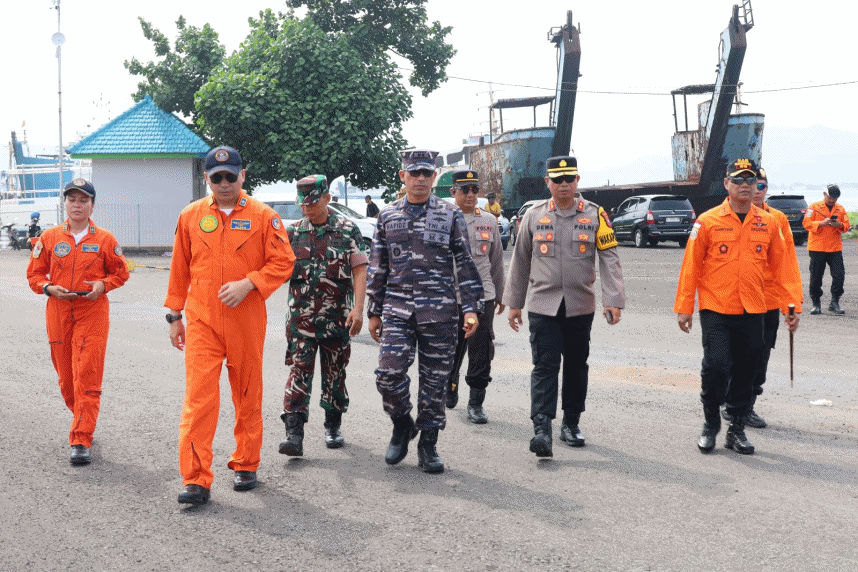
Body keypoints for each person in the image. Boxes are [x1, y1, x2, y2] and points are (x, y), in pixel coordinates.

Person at [165, 145, 295, 505]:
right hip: (203, 320)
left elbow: (284, 262)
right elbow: (179, 269)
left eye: (230, 176)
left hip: (245, 319)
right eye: (216, 177)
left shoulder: (264, 216)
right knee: (198, 399)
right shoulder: (190, 216)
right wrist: (175, 315)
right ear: (207, 179)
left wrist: (250, 282)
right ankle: (195, 479)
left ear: (243, 175)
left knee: (247, 393)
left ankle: (246, 463)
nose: (224, 183)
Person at [367, 149, 483, 474]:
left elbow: (465, 263)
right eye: (413, 172)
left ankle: (428, 443)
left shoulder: (450, 215)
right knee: (388, 375)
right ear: (402, 176)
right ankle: (402, 423)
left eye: (426, 173)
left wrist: (471, 309)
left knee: (435, 382)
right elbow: (378, 266)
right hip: (397, 310)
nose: (420, 178)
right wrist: (373, 311)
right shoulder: (387, 216)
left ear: (434, 177)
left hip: (441, 311)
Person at [675, 159, 799, 456]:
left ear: (757, 185)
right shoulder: (707, 220)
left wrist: (791, 306)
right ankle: (710, 425)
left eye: (751, 180)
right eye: (738, 179)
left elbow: (784, 268)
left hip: (754, 307)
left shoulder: (768, 222)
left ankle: (737, 429)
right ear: (726, 184)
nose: (745, 184)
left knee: (747, 370)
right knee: (716, 366)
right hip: (716, 306)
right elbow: (690, 265)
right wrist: (684, 307)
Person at [504, 156, 625, 458]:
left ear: (577, 181)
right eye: (557, 180)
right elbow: (520, 260)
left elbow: (609, 258)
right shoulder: (533, 216)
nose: (563, 185)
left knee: (575, 366)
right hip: (543, 306)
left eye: (569, 178)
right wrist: (514, 304)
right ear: (548, 183)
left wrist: (613, 299)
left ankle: (571, 423)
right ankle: (542, 428)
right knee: (545, 366)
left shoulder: (596, 216)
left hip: (580, 306)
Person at [27, 179, 130, 465]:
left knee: (86, 372)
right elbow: (34, 275)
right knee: (66, 378)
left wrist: (103, 285)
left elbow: (121, 274)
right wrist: (48, 288)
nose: (77, 205)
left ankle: (81, 437)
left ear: (92, 206)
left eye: (83, 200)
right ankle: (82, 416)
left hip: (92, 310)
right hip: (58, 310)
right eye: (72, 199)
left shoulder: (105, 240)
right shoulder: (48, 238)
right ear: (66, 204)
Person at [280, 175, 368, 456]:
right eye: (303, 203)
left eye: (313, 202)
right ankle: (294, 434)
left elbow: (360, 270)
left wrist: (358, 309)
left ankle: (333, 425)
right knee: (299, 373)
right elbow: (277, 270)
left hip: (337, 318)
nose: (307, 208)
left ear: (327, 198)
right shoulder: (293, 233)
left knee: (335, 374)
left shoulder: (347, 230)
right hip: (301, 321)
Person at [721, 167, 803, 428]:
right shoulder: (725, 216)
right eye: (752, 185)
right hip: (736, 299)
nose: (756, 190)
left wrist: (792, 305)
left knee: (760, 356)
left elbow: (788, 264)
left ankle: (747, 406)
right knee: (731, 355)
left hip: (767, 300)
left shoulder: (777, 219)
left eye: (761, 185)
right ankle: (729, 400)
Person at [444, 169, 505, 424]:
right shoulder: (443, 219)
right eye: (464, 190)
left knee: (481, 348)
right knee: (449, 348)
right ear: (453, 192)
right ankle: (450, 381)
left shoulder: (489, 221)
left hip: (482, 296)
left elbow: (497, 261)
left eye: (474, 190)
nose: (470, 195)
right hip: (449, 297)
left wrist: (499, 295)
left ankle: (476, 403)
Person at [802, 184, 850, 315]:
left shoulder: (840, 209)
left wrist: (839, 224)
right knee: (816, 277)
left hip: (835, 248)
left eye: (835, 198)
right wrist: (820, 223)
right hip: (817, 248)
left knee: (839, 276)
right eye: (830, 197)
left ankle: (835, 302)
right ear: (825, 194)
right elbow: (806, 223)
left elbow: (846, 226)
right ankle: (816, 303)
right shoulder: (814, 207)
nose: (832, 200)